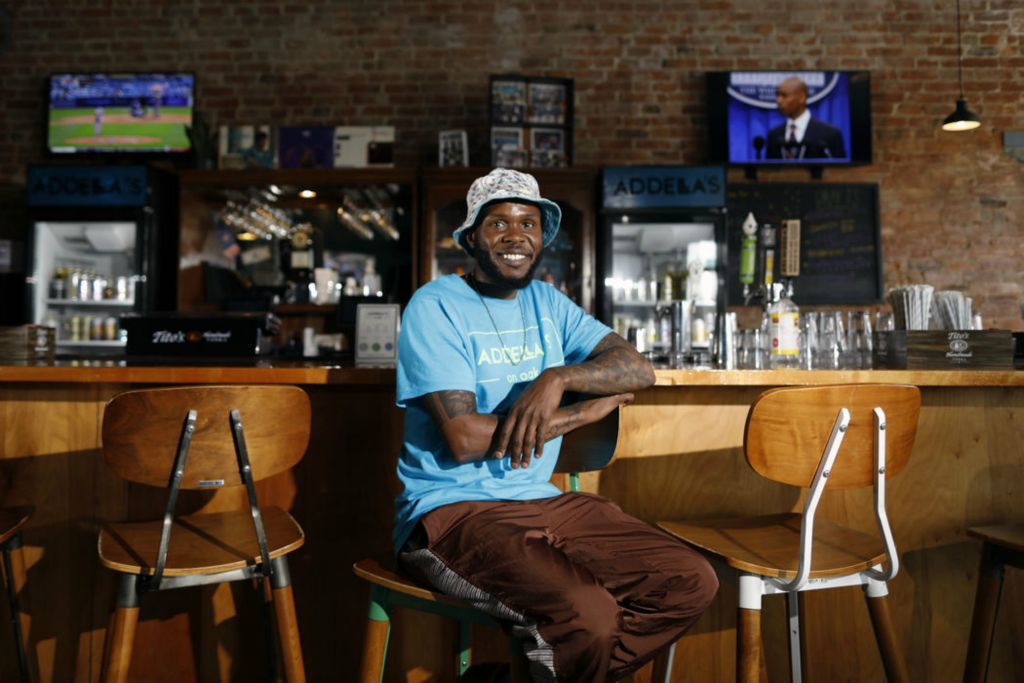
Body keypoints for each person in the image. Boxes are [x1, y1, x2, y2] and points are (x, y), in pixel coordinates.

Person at [394, 168, 718, 682]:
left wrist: (558, 375)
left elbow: (639, 369)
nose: (515, 235)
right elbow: (464, 438)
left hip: (542, 500)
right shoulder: (435, 306)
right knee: (589, 617)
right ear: (472, 237)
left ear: (542, 237)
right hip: (452, 514)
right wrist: (576, 414)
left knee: (689, 580)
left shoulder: (548, 303)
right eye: (498, 223)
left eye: (529, 223)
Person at [765, 76, 847, 160]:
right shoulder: (774, 135)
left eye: (784, 96)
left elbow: (840, 171)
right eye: (777, 95)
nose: (779, 100)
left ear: (801, 98)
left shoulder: (830, 134)